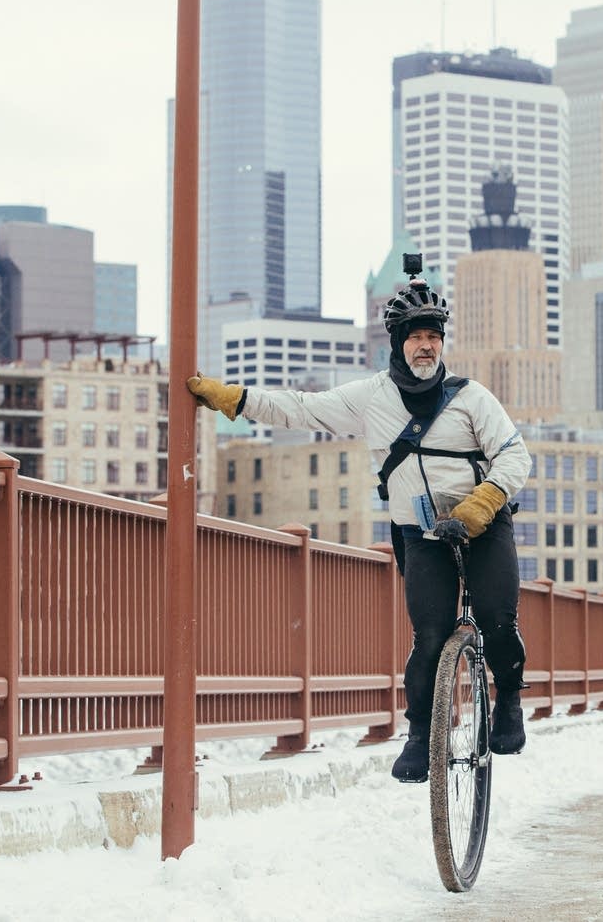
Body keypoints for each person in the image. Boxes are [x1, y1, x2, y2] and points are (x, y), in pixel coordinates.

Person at [185, 276, 532, 784]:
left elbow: (515, 454)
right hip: (422, 533)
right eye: (415, 336)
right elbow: (300, 408)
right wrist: (232, 398)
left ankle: (510, 702)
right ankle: (419, 735)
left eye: (433, 335)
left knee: (498, 620)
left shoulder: (472, 397)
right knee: (429, 636)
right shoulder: (371, 398)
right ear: (397, 342)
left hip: (482, 525)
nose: (425, 344)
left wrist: (484, 501)